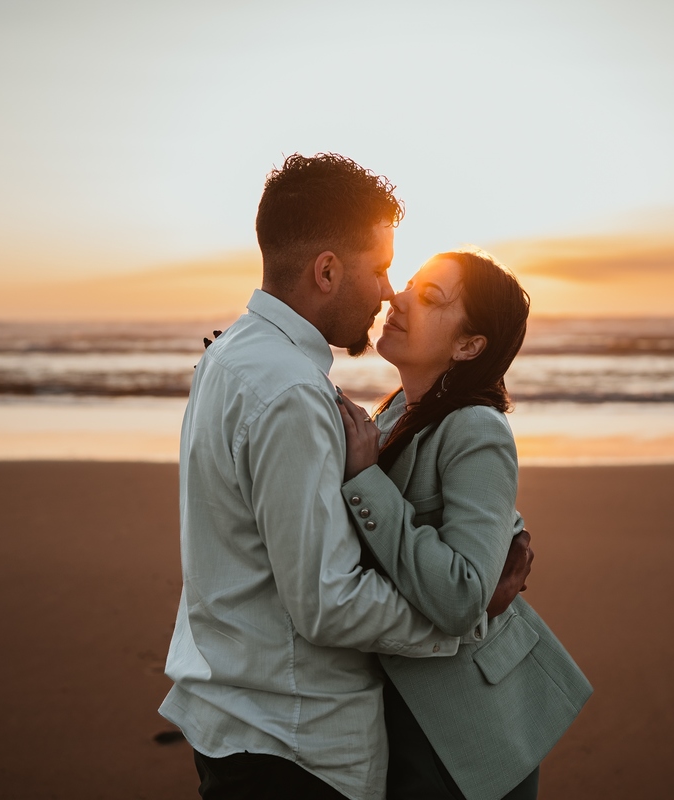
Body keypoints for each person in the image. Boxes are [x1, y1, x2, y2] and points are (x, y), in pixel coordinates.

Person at [159, 153, 532, 800]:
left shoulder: (234, 357)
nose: (391, 293)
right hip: (295, 738)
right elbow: (328, 602)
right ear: (326, 270)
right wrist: (467, 623)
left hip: (242, 713)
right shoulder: (291, 394)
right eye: (385, 270)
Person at [336, 250, 592, 800]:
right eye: (409, 286)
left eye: (430, 299)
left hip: (467, 731)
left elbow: (461, 595)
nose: (399, 300)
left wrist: (367, 481)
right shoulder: (391, 416)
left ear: (469, 345)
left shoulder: (477, 428)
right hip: (398, 710)